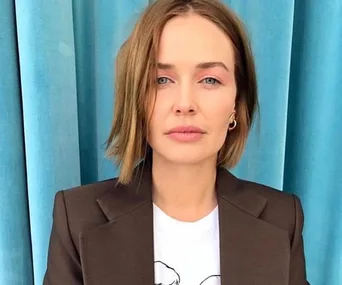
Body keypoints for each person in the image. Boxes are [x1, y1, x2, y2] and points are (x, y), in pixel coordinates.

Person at [43, 0, 310, 284]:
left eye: (209, 80)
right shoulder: (78, 219)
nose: (185, 104)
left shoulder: (282, 220)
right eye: (161, 80)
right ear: (136, 98)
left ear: (236, 102)